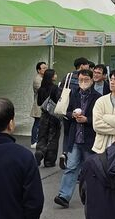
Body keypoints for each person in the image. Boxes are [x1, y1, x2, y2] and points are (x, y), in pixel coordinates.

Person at [54, 68, 101, 208]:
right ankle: (63, 196)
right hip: (75, 137)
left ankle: (92, 197)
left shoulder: (98, 97)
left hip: (89, 138)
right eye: (81, 80)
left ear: (92, 81)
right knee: (71, 167)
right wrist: (72, 115)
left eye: (86, 80)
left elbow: (99, 118)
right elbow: (66, 112)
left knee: (90, 170)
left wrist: (87, 119)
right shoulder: (73, 94)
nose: (83, 82)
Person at [57, 58, 94, 170]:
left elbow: (60, 91)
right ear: (82, 66)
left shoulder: (68, 76)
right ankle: (73, 156)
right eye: (87, 65)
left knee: (67, 133)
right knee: (74, 133)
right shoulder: (87, 79)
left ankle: (65, 153)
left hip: (69, 109)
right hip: (81, 109)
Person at [34, 67, 61, 167]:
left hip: (44, 115)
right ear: (51, 77)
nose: (56, 76)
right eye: (55, 74)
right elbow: (58, 101)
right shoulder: (55, 88)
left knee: (42, 136)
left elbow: (39, 103)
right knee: (53, 138)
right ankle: (49, 161)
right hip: (54, 116)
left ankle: (40, 151)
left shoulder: (41, 89)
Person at [30, 60, 47, 146]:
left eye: (46, 68)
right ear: (38, 70)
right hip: (38, 104)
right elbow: (42, 91)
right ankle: (33, 141)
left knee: (40, 123)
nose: (45, 69)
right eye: (43, 68)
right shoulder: (37, 79)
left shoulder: (43, 78)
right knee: (37, 123)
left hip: (42, 104)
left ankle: (38, 140)